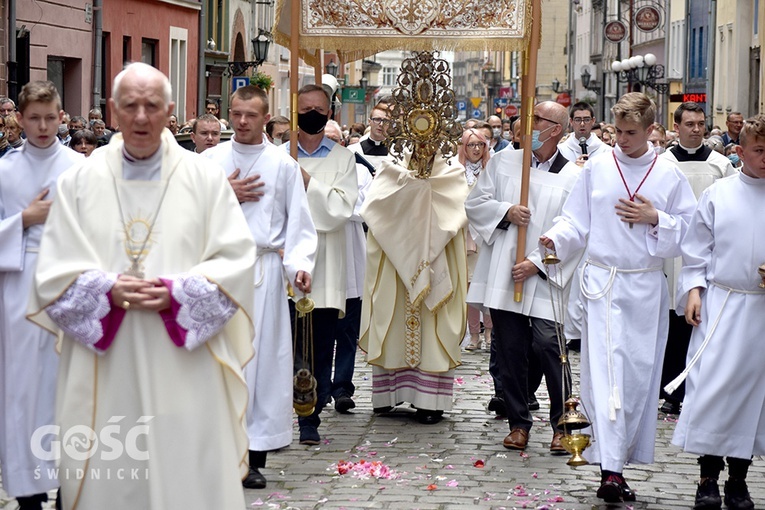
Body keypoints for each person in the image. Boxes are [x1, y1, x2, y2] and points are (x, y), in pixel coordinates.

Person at [28, 62, 256, 509]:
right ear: (113, 110)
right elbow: (51, 271)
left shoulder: (204, 178)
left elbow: (237, 260)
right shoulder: (78, 181)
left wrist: (178, 292)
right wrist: (104, 290)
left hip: (185, 360)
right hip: (107, 360)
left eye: (152, 106)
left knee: (184, 472)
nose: (140, 117)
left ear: (170, 111)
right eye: (130, 105)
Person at [539, 92, 696, 503]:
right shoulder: (599, 166)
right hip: (603, 284)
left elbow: (692, 231)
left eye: (631, 133)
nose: (622, 140)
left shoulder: (668, 172)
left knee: (636, 381)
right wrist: (555, 237)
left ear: (650, 130)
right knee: (606, 377)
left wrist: (655, 218)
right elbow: (576, 220)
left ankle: (619, 461)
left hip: (644, 288)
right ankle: (610, 471)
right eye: (619, 131)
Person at [205, 85, 317, 489]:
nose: (241, 122)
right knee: (220, 362)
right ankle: (218, 451)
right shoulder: (210, 162)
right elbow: (190, 215)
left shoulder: (281, 165)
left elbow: (300, 225)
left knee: (261, 362)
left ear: (266, 117)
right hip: (218, 271)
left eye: (250, 115)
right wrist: (224, 194)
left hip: (264, 273)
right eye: (235, 114)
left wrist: (299, 266)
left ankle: (254, 455)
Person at [467, 101, 581, 454]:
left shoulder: (574, 177)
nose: (526, 127)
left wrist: (536, 262)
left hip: (546, 273)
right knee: (511, 349)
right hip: (506, 270)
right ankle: (519, 423)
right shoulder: (504, 162)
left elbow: (575, 227)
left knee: (549, 345)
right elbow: (475, 203)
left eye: (537, 121)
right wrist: (505, 211)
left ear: (556, 129)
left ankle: (563, 423)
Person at [359, 66, 468, 426]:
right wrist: (411, 191)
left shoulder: (450, 169)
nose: (424, 142)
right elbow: (374, 207)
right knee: (392, 321)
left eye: (430, 131)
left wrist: (418, 196)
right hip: (395, 261)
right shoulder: (392, 166)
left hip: (435, 260)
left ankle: (428, 401)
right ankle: (388, 395)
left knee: (430, 325)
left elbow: (456, 209)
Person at [672, 114, 765, 510]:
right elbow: (696, 250)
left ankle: (739, 481)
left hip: (760, 312)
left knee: (751, 395)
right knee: (712, 389)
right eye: (760, 151)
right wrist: (694, 290)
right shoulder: (719, 194)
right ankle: (708, 477)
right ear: (741, 152)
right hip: (722, 304)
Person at [0, 81, 82, 510]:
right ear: (20, 119)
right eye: (34, 118)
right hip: (18, 284)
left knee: (68, 385)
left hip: (68, 282)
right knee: (22, 387)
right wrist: (23, 220)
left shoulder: (79, 167)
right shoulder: (5, 171)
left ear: (61, 116)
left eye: (51, 117)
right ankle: (28, 489)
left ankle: (71, 483)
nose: (43, 126)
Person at [284, 84, 358, 445]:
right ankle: (283, 410)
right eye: (305, 107)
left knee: (319, 343)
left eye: (318, 108)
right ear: (295, 111)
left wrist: (308, 182)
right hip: (285, 262)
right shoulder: (280, 155)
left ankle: (310, 417)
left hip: (325, 266)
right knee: (287, 345)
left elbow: (340, 212)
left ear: (329, 114)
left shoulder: (343, 159)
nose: (312, 113)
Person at [658, 102, 736, 416]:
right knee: (673, 326)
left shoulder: (720, 165)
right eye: (689, 124)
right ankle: (672, 390)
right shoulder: (662, 163)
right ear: (676, 127)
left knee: (702, 322)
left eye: (700, 123)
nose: (696, 129)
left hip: (709, 253)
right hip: (671, 254)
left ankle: (702, 387)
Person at [324, 120, 373, 413]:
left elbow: (362, 207)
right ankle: (315, 385)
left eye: (334, 138)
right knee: (317, 329)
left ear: (342, 142)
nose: (328, 143)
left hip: (350, 256)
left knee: (346, 329)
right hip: (318, 259)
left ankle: (342, 386)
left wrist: (327, 205)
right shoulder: (301, 165)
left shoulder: (358, 170)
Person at [458, 127, 494, 351]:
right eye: (471, 145)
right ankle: (473, 334)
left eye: (479, 145)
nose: (475, 149)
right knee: (470, 286)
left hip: (487, 233)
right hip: (465, 233)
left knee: (488, 285)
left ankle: (489, 332)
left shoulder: (491, 169)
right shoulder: (456, 171)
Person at [558, 101, 612, 166]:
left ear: (593, 121)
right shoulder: (560, 151)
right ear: (571, 121)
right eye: (578, 120)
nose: (582, 124)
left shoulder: (606, 151)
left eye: (586, 120)